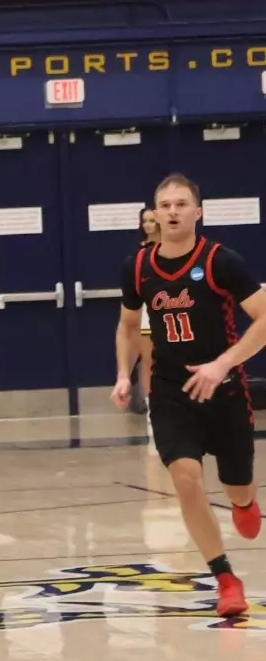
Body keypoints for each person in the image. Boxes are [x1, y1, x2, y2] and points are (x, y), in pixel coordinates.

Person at [113, 173, 266, 617]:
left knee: (237, 487)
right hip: (171, 390)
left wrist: (222, 364)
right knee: (185, 479)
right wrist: (124, 375)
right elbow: (126, 327)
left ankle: (245, 501)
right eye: (166, 205)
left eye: (182, 204)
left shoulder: (221, 261)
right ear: (155, 214)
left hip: (224, 389)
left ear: (198, 212)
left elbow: (263, 319)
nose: (174, 211)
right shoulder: (138, 267)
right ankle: (224, 577)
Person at [128, 205, 161, 416]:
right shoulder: (140, 251)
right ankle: (149, 402)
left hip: (171, 304)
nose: (148, 225)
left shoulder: (170, 246)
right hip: (147, 306)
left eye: (151, 220)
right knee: (147, 356)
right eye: (144, 221)